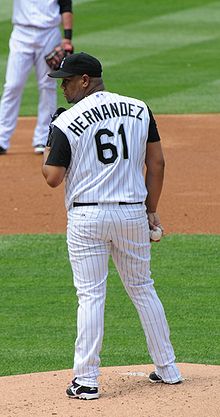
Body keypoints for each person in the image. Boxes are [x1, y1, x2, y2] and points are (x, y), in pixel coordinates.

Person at [42, 52, 182, 400]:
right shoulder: (139, 108)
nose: (63, 88)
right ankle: (168, 368)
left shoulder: (67, 120)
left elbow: (52, 178)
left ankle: (87, 381)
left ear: (85, 80)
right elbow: (158, 163)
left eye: (67, 81)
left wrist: (50, 139)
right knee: (142, 287)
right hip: (133, 213)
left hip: (87, 218)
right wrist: (151, 211)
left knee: (90, 295)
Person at [0, 0, 73, 155]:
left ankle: (43, 138)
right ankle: (1, 138)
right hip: (21, 33)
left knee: (47, 85)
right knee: (12, 85)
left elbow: (66, 5)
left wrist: (67, 37)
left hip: (49, 33)